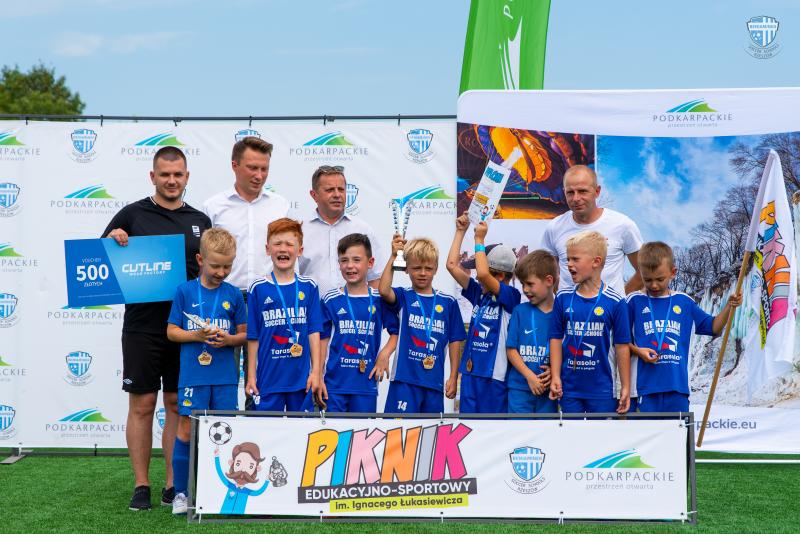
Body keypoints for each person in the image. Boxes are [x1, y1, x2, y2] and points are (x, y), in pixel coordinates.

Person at [103, 146, 211, 511]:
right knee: (143, 404)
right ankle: (141, 484)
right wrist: (114, 240)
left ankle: (172, 484)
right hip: (142, 327)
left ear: (187, 176)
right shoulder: (132, 214)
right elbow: (101, 261)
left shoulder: (200, 220)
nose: (171, 180)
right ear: (153, 176)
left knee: (176, 403)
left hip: (185, 329)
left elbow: (210, 270)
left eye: (178, 174)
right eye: (165, 174)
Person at [541, 164, 644, 408]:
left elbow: (643, 271)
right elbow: (549, 273)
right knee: (571, 404)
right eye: (570, 192)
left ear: (597, 191)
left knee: (605, 404)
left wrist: (614, 300)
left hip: (607, 324)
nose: (576, 198)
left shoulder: (622, 225)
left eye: (583, 191)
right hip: (570, 322)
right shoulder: (554, 227)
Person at [202, 136, 289, 408]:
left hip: (267, 298)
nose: (259, 175)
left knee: (262, 375)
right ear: (234, 165)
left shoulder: (280, 205)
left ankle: (257, 428)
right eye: (252, 168)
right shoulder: (213, 206)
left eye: (264, 169)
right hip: (224, 298)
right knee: (222, 373)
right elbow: (206, 255)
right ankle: (222, 428)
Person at [166, 228, 247, 514]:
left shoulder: (234, 294)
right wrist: (197, 336)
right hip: (193, 376)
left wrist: (229, 340)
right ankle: (181, 493)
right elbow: (172, 332)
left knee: (225, 432)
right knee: (186, 430)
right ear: (200, 260)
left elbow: (245, 335)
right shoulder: (185, 291)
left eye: (228, 266)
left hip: (225, 378)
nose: (221, 272)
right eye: (216, 266)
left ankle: (221, 492)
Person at [627, 242, 742, 413]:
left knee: (678, 431)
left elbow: (713, 327)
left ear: (673, 272)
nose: (654, 285)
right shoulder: (633, 301)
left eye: (660, 279)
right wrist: (638, 351)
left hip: (678, 389)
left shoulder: (684, 301)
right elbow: (620, 342)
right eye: (648, 279)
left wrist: (729, 306)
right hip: (644, 389)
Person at [306, 233, 399, 412]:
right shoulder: (330, 299)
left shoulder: (379, 300)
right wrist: (318, 375)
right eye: (344, 260)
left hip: (366, 386)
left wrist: (384, 354)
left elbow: (396, 332)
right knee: (333, 429)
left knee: (362, 430)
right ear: (339, 264)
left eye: (357, 260)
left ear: (370, 263)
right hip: (334, 387)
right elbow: (322, 340)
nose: (350, 266)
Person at [379, 235, 466, 414]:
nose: (423, 273)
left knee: (430, 431)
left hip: (433, 383)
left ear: (436, 269)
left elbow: (455, 341)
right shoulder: (403, 296)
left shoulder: (448, 302)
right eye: (417, 268)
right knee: (399, 430)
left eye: (428, 268)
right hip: (405, 380)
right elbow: (384, 290)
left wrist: (453, 376)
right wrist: (394, 257)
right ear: (406, 269)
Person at [548, 231, 632, 414]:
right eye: (568, 259)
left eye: (575, 259)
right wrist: (555, 376)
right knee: (570, 432)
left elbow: (622, 346)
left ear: (596, 261)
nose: (569, 264)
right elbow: (555, 339)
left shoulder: (616, 301)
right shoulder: (562, 298)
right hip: (569, 389)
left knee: (602, 433)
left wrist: (625, 386)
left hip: (603, 389)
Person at [246, 218, 325, 411]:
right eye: (277, 244)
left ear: (300, 250)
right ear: (267, 249)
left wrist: (316, 372)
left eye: (289, 244)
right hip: (268, 379)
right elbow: (253, 336)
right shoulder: (257, 288)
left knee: (301, 428)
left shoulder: (309, 286)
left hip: (301, 382)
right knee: (267, 428)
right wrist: (251, 376)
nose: (283, 249)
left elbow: (314, 332)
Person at [446, 214, 520, 413]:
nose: (478, 279)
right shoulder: (479, 293)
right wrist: (460, 232)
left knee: (492, 428)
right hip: (470, 374)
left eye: (482, 275)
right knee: (469, 427)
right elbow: (451, 266)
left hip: (495, 379)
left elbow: (482, 274)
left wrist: (479, 239)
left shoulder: (511, 296)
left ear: (500, 276)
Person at [301, 165, 384, 296]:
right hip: (311, 308)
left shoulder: (363, 230)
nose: (337, 195)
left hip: (355, 309)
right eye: (329, 190)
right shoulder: (300, 232)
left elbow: (375, 278)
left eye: (341, 189)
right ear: (314, 195)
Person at [505, 250, 560, 414]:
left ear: (549, 281)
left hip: (548, 390)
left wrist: (554, 372)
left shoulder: (561, 313)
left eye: (530, 284)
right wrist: (529, 376)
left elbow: (565, 349)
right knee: (519, 430)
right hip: (520, 388)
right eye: (522, 284)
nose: (525, 289)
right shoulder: (520, 311)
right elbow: (511, 350)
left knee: (546, 431)